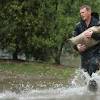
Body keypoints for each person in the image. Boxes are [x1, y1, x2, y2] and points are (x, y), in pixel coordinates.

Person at [73, 5, 100, 76]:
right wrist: (77, 47)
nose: (81, 15)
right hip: (85, 55)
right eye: (80, 13)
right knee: (86, 76)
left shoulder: (98, 23)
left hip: (97, 53)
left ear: (89, 12)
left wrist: (93, 35)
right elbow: (74, 40)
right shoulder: (78, 26)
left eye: (83, 12)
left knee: (93, 66)